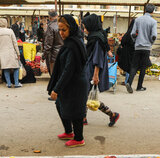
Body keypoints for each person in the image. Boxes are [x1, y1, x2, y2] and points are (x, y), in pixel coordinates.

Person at [47, 15, 88, 147]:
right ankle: (69, 132)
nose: (61, 33)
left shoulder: (73, 45)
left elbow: (68, 70)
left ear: (71, 28)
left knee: (76, 110)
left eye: (63, 30)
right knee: (60, 104)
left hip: (76, 83)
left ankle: (79, 138)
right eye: (59, 30)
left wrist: (57, 88)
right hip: (71, 82)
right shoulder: (70, 42)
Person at [82, 14, 120, 127]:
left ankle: (111, 114)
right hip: (89, 68)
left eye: (85, 27)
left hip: (92, 70)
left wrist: (95, 75)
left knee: (87, 95)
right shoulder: (95, 36)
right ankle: (84, 117)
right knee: (87, 95)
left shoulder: (97, 39)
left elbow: (97, 59)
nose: (84, 29)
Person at [125, 4, 157, 93]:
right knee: (143, 67)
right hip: (146, 48)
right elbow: (154, 35)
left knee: (134, 66)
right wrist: (151, 42)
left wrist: (136, 40)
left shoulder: (137, 20)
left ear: (144, 10)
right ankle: (139, 87)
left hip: (138, 47)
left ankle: (129, 83)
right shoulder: (153, 22)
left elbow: (132, 34)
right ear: (153, 11)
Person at [0, 18, 22, 88]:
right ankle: (16, 83)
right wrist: (18, 53)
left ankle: (9, 84)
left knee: (6, 68)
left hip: (2, 52)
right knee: (16, 68)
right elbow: (15, 43)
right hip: (11, 51)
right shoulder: (10, 31)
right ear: (6, 23)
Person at [43, 10, 63, 75]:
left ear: (49, 17)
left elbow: (48, 44)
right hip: (63, 53)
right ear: (57, 16)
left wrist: (44, 56)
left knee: (55, 77)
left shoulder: (50, 27)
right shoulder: (62, 25)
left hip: (54, 56)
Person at [117, 19, 135, 85]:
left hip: (127, 52)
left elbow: (123, 41)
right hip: (133, 53)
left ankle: (127, 81)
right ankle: (127, 81)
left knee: (128, 66)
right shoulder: (136, 33)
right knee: (131, 66)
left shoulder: (129, 32)